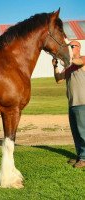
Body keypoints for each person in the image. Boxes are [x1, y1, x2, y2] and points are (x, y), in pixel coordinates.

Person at [52, 40, 85, 168]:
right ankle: (80, 156)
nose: (70, 48)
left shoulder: (82, 59)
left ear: (78, 47)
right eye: (68, 47)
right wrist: (55, 66)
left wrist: (68, 58)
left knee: (83, 132)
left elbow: (78, 62)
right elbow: (58, 80)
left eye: (72, 46)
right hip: (72, 103)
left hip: (82, 102)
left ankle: (83, 158)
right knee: (76, 132)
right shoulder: (69, 66)